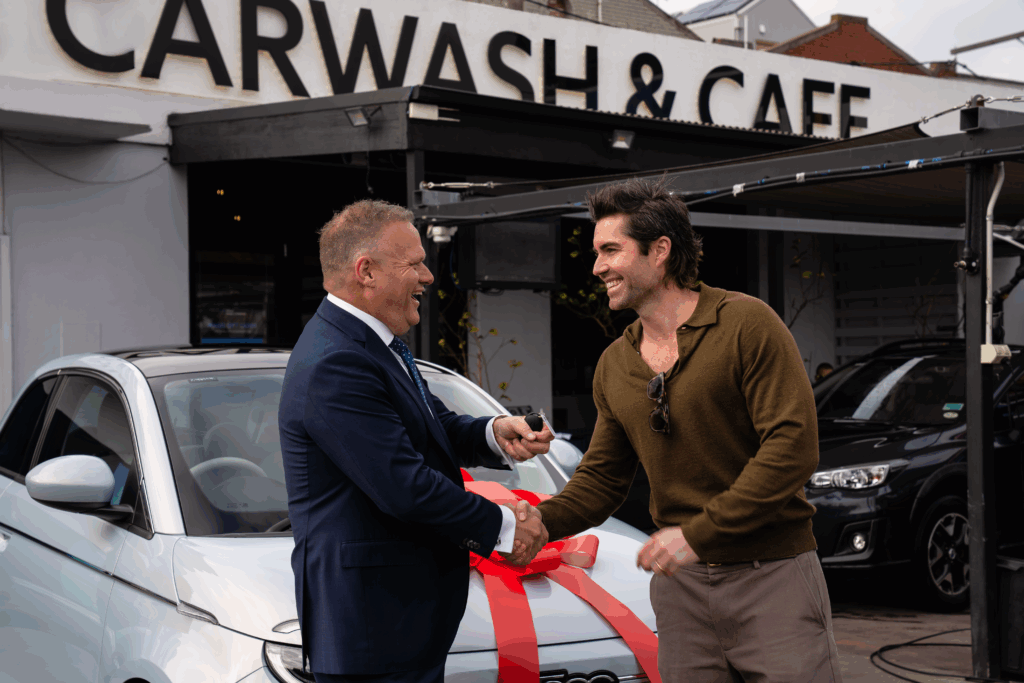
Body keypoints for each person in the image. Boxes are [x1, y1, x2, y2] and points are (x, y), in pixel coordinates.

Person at [535, 178, 842, 683]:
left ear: (660, 252)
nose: (597, 268)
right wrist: (538, 525)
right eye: (596, 252)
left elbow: (791, 449)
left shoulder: (747, 325)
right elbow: (603, 479)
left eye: (611, 250)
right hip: (680, 590)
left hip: (773, 573)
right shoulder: (614, 364)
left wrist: (699, 534)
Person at [279, 199, 553, 683]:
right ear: (366, 271)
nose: (429, 276)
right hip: (373, 633)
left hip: (397, 626)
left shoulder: (367, 344)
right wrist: (505, 528)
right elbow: (403, 486)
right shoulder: (336, 361)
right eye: (416, 263)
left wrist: (494, 432)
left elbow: (433, 427)